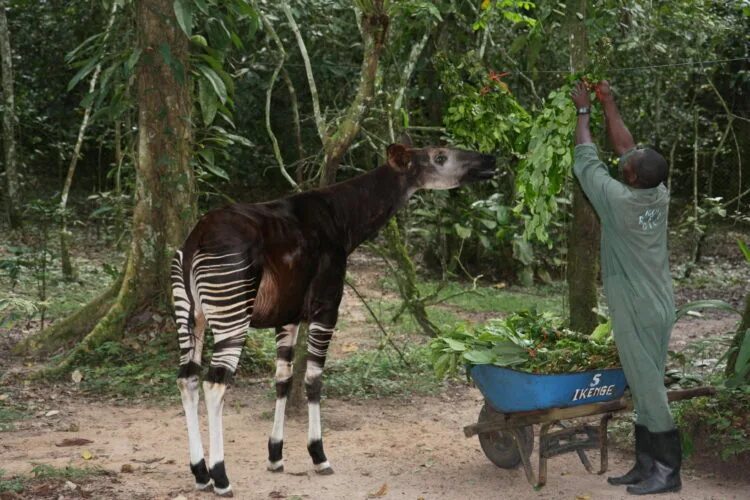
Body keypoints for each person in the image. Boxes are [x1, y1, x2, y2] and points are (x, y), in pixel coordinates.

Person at [569, 80, 681, 495]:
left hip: (635, 307)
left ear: (630, 177)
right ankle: (645, 463)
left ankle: (669, 472)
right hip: (660, 303)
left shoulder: (617, 202)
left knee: (649, 388)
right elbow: (626, 150)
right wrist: (608, 102)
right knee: (640, 379)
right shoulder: (657, 194)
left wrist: (584, 112)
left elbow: (585, 158)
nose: (626, 158)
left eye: (628, 163)